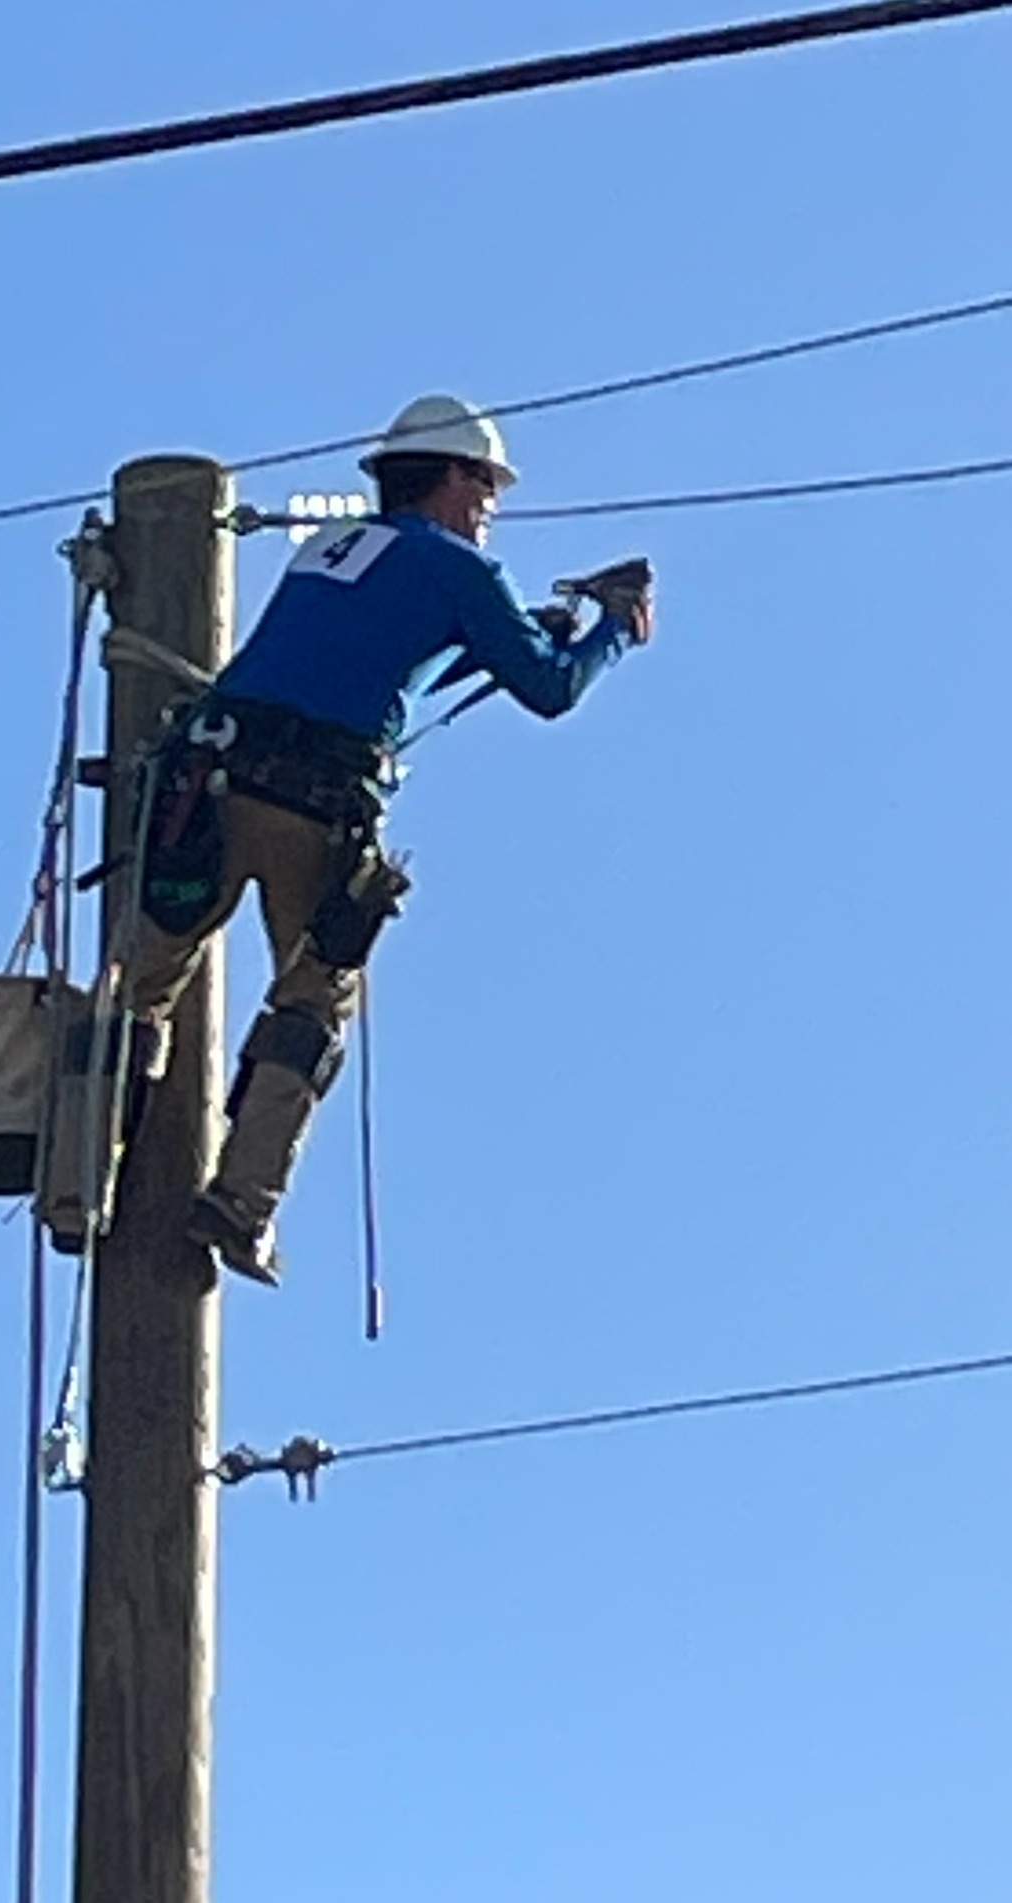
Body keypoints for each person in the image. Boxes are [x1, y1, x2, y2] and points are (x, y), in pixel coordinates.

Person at [119, 394, 653, 1286]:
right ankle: (238, 1203)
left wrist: (512, 629)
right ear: (452, 476)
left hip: (209, 789)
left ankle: (83, 1164)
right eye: (485, 486)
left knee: (141, 983)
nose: (490, 506)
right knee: (312, 1006)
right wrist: (610, 632)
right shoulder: (458, 567)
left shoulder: (330, 550)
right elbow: (550, 690)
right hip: (314, 809)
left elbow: (363, 648)